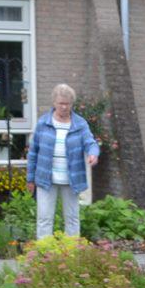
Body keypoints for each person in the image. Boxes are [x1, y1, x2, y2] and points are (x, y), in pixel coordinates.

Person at [28, 84, 101, 240]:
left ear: (72, 104)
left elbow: (90, 142)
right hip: (45, 178)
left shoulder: (80, 124)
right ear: (54, 102)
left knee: (72, 219)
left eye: (67, 104)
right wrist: (30, 179)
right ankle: (45, 250)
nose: (64, 107)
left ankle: (72, 250)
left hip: (71, 179)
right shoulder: (43, 123)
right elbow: (33, 152)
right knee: (44, 219)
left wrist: (93, 153)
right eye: (61, 103)